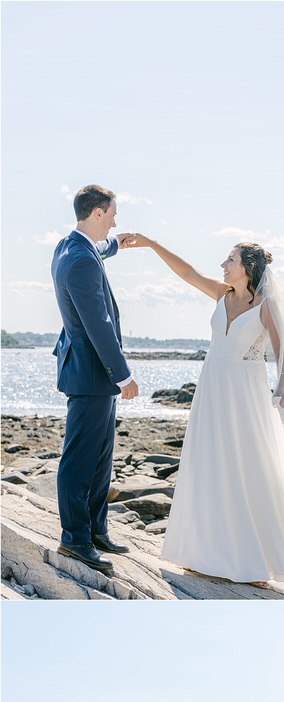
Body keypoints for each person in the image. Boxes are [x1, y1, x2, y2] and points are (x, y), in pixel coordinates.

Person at [126, 234, 284, 597]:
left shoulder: (266, 305)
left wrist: (283, 386)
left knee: (247, 467)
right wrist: (150, 244)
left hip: (246, 393)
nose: (223, 265)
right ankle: (201, 553)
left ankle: (255, 561)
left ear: (249, 268)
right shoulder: (221, 294)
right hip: (211, 388)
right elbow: (186, 272)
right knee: (208, 464)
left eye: (230, 259)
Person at [51, 184, 139, 576]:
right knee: (80, 459)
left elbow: (98, 249)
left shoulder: (71, 247)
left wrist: (118, 243)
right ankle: (74, 539)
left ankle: (96, 530)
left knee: (102, 457)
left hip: (88, 372)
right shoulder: (81, 260)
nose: (116, 220)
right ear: (99, 212)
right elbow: (98, 323)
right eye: (113, 214)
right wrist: (124, 376)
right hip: (92, 373)